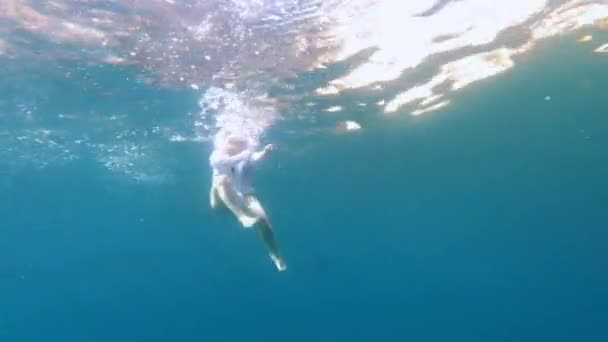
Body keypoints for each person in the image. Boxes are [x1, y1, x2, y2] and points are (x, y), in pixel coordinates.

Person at [209, 135, 287, 272]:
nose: (241, 148)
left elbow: (255, 159)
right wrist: (244, 154)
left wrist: (265, 152)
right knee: (221, 181)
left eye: (243, 145)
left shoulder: (244, 155)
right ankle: (241, 216)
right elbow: (226, 162)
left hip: (244, 197)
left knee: (264, 222)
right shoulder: (217, 154)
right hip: (221, 200)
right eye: (237, 144)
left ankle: (275, 254)